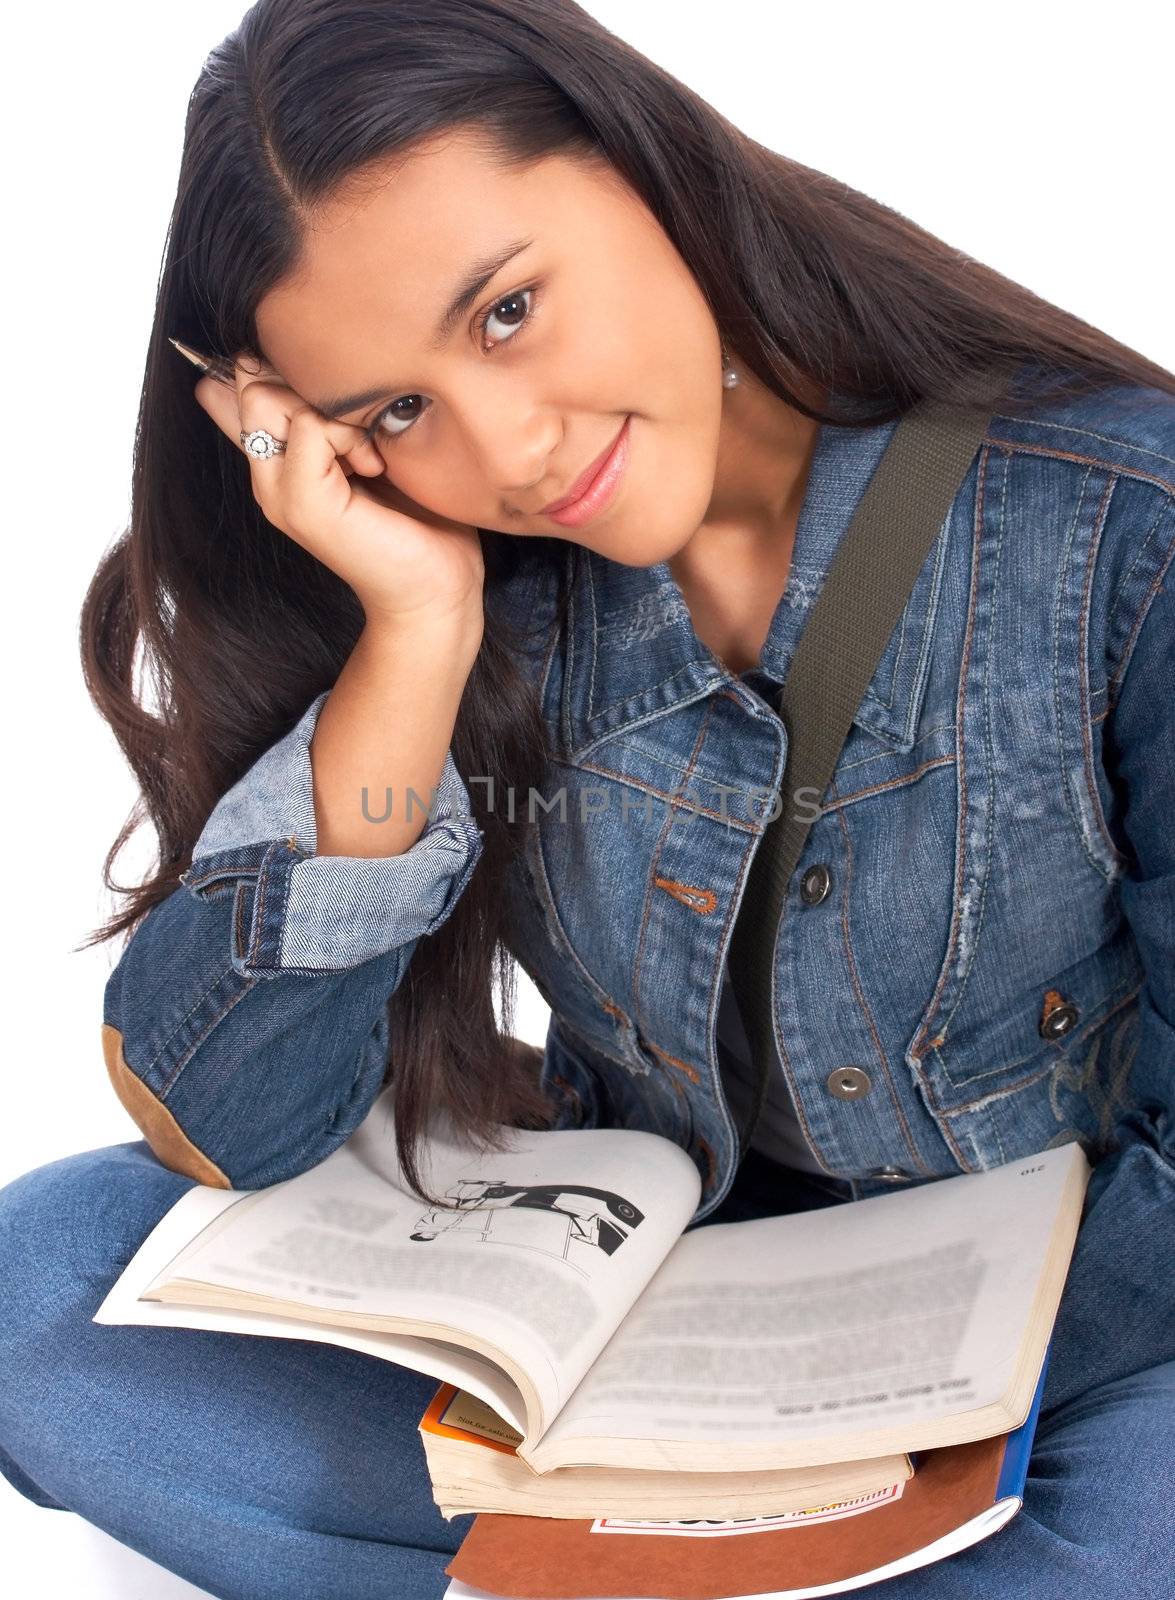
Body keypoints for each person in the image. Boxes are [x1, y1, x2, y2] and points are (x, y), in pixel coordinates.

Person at [2, 2, 1173, 1597]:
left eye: (505, 313)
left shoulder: (1126, 538)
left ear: (642, 166)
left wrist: (890, 1432)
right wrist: (415, 634)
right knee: (42, 1289)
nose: (511, 449)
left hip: (1091, 1342)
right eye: (392, 414)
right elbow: (235, 1124)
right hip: (654, 1319)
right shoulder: (487, 599)